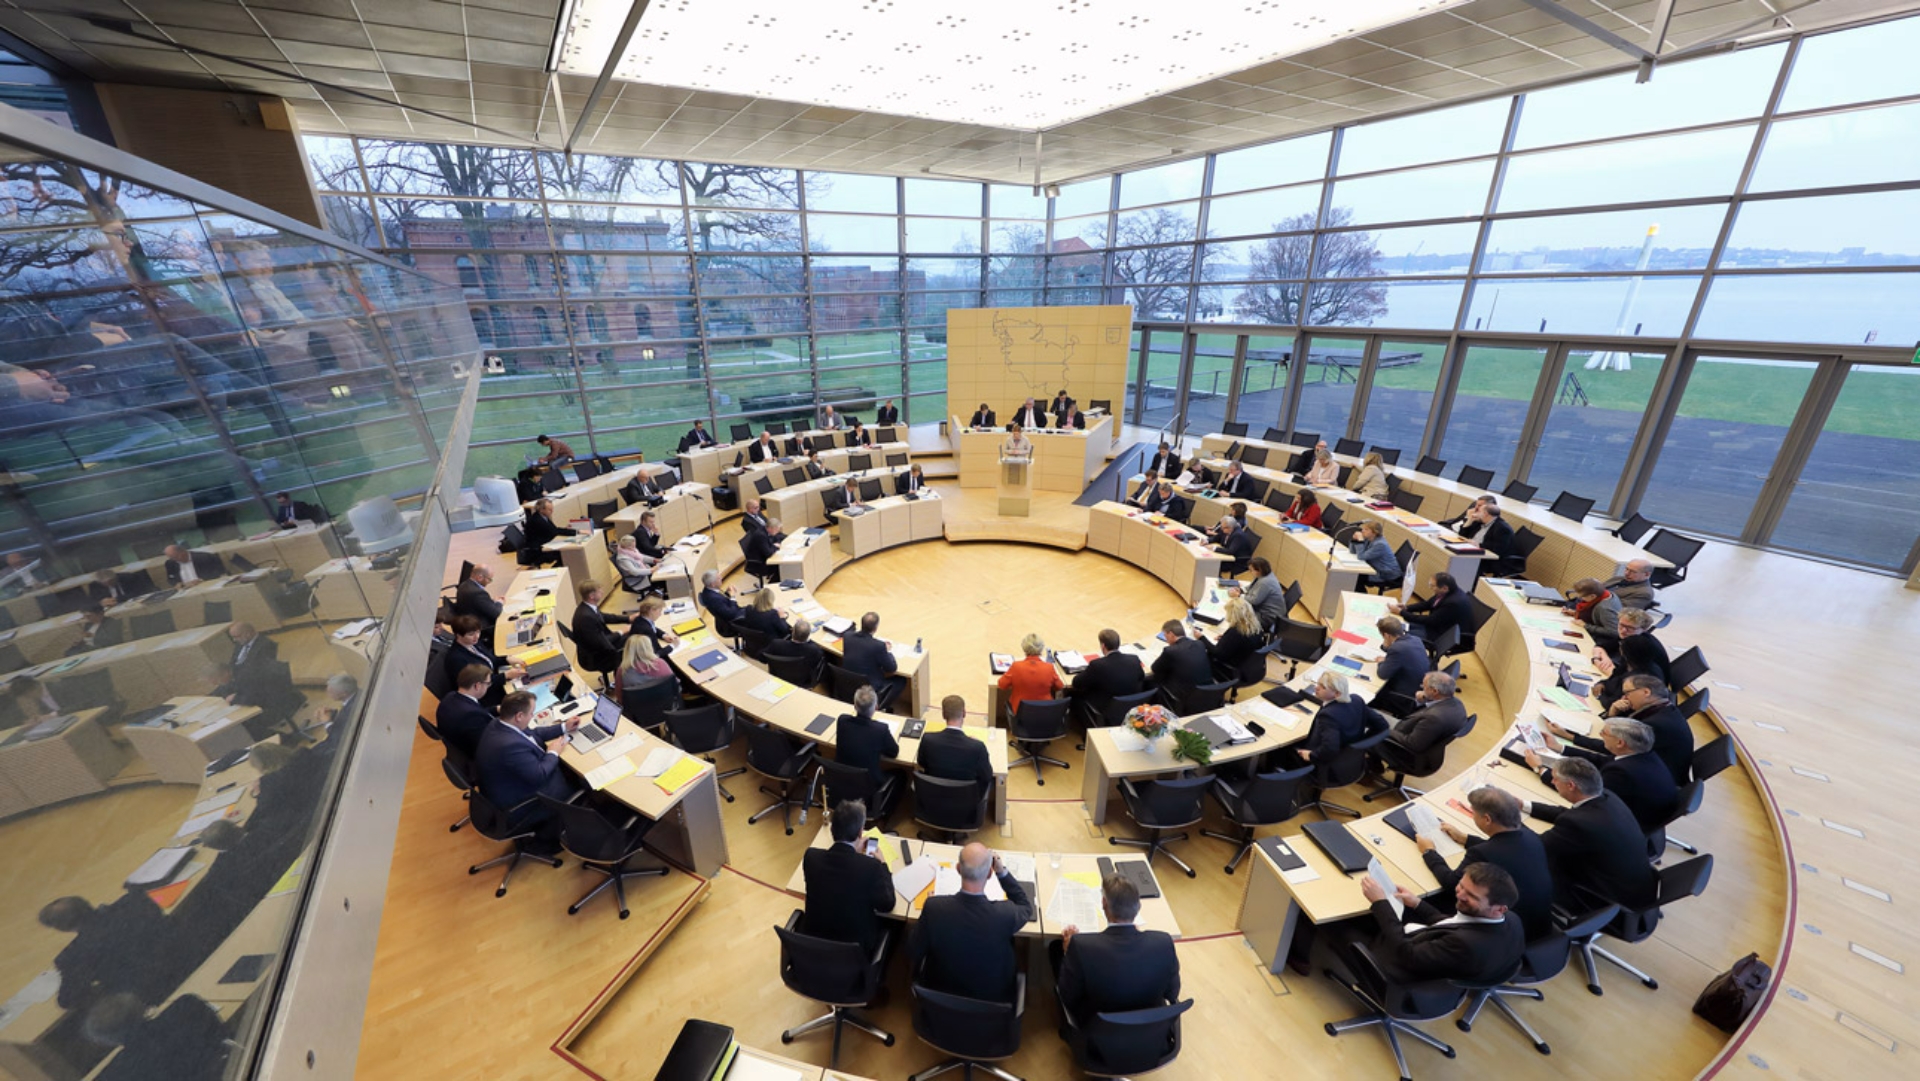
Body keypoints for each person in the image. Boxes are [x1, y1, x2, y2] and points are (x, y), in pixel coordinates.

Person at [1346, 863, 1526, 992]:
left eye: (1470, 895)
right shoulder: (1511, 919)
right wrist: (1416, 903)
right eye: (1461, 886)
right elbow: (1452, 924)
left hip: (1399, 976)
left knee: (1341, 925)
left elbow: (1406, 953)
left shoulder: (1466, 944)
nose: (1459, 895)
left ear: (1498, 909)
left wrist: (1380, 903)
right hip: (1436, 956)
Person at [1415, 786, 1553, 938]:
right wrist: (1465, 839)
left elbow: (1451, 883)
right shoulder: (1531, 836)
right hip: (1540, 923)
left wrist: (1429, 852)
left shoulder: (1482, 853)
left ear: (1487, 819)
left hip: (1507, 931)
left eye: (1474, 813)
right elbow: (1504, 848)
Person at [1052, 875, 1180, 1035]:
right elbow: (1172, 993)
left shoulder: (1081, 946)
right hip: (1149, 1034)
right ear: (1139, 907)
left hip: (1099, 1037)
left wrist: (1067, 951)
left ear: (1104, 903)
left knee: (1054, 950)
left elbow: (1067, 996)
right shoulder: (1164, 942)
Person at [908, 842, 1033, 1002]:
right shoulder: (1005, 914)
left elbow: (913, 949)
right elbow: (1025, 906)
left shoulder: (934, 907)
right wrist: (1001, 872)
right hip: (991, 1001)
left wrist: (930, 910)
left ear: (958, 869)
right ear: (989, 873)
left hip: (940, 997)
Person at [1531, 757, 1658, 910]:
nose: (1552, 782)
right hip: (1635, 885)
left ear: (1571, 785)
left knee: (1529, 864)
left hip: (1607, 899)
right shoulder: (1607, 797)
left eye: (1555, 779)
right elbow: (1569, 815)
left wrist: (1504, 814)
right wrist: (1522, 805)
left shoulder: (1580, 824)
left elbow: (1535, 846)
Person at [1526, 717, 1677, 837]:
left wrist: (1540, 769)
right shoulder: (1642, 755)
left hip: (1626, 827)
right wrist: (1559, 748)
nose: (1600, 735)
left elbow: (1582, 793)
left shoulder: (1623, 773)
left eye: (1604, 733)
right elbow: (1600, 760)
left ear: (1620, 742)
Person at [472, 690, 584, 847]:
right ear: (519, 716)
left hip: (507, 787)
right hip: (520, 803)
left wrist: (564, 727)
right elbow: (540, 774)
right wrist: (553, 752)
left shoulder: (499, 724)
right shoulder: (509, 746)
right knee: (582, 785)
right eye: (531, 713)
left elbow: (533, 734)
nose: (533, 716)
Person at [1549, 673, 1693, 785]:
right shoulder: (1663, 709)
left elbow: (1613, 748)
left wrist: (1571, 738)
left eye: (1628, 693)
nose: (1625, 697)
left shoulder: (1656, 724)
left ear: (1646, 692)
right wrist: (1613, 713)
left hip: (1650, 778)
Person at [38, 893, 169, 1008]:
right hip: (178, 957)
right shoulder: (135, 901)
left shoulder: (74, 956)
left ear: (62, 929)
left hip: (149, 992)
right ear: (85, 902)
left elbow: (67, 1000)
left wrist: (102, 989)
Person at [803, 799, 895, 954]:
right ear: (860, 832)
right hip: (854, 951)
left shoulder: (811, 857)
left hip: (815, 945)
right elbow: (887, 904)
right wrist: (883, 865)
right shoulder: (871, 867)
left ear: (832, 828)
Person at [82, 992, 231, 1081]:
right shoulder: (188, 1007)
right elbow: (224, 1034)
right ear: (140, 1005)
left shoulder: (118, 1073)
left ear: (107, 1041)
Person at [1374, 670, 1468, 783]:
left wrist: (1383, 730)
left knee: (1365, 724)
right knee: (1371, 715)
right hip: (1414, 735)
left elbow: (1412, 744)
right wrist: (1424, 698)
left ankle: (1370, 769)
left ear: (1434, 691)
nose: (1421, 687)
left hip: (1408, 753)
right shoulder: (1456, 703)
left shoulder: (1434, 718)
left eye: (1424, 686)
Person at [1286, 670, 1384, 767]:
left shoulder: (1328, 716)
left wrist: (1311, 756)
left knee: (1281, 750)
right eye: (1318, 683)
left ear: (1337, 694)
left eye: (1323, 687)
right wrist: (1361, 744)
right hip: (1348, 757)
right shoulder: (1356, 700)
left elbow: (1330, 749)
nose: (1316, 688)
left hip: (1321, 761)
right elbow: (1382, 724)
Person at [1593, 607, 1670, 709]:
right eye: (1621, 625)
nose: (1624, 630)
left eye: (1631, 628)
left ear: (1644, 629)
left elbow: (1622, 688)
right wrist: (1603, 680)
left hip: (1646, 689)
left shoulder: (1641, 647)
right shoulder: (1630, 639)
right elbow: (1602, 646)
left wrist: (1602, 693)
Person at [920, 695, 993, 801]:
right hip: (965, 801)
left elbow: (921, 762)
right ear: (964, 713)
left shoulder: (928, 739)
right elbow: (987, 776)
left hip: (934, 797)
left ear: (943, 715)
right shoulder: (977, 747)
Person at [444, 614, 523, 710]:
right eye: (471, 634)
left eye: (478, 632)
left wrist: (506, 659)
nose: (476, 636)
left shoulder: (473, 643)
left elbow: (490, 660)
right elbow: (477, 684)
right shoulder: (456, 659)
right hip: (487, 694)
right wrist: (505, 676)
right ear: (458, 635)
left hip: (493, 680)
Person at [1069, 629, 1146, 725]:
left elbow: (1076, 683)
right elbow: (1141, 677)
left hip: (1106, 706)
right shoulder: (1134, 659)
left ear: (1103, 646)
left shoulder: (1097, 665)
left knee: (1074, 696)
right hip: (1129, 704)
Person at [842, 611, 909, 709]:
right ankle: (879, 706)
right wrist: (887, 651)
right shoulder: (879, 646)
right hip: (870, 686)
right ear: (875, 628)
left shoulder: (847, 636)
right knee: (901, 680)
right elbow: (891, 668)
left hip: (849, 683)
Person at [1371, 615, 1431, 715]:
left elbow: (1382, 674)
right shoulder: (1415, 639)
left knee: (1370, 694)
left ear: (1387, 635)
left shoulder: (1397, 649)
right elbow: (1396, 651)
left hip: (1403, 696)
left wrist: (1381, 662)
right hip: (1418, 686)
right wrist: (1387, 645)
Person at [1390, 572, 1472, 643]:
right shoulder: (1447, 592)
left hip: (1440, 634)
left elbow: (1430, 620)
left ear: (1444, 588)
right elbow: (1428, 604)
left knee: (1397, 635)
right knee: (1395, 627)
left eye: (1433, 586)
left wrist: (1401, 612)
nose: (1430, 588)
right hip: (1433, 625)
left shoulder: (1453, 603)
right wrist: (1406, 608)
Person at [435, 664, 496, 757]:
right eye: (488, 684)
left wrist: (496, 709)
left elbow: (478, 712)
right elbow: (489, 745)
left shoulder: (450, 697)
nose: (488, 687)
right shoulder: (471, 716)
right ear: (477, 686)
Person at [571, 580, 630, 675]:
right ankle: (623, 676)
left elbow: (605, 617)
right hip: (598, 656)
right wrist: (621, 631)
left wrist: (628, 618)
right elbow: (603, 642)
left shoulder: (587, 607)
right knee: (634, 639)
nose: (602, 592)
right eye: (599, 591)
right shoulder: (586, 618)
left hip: (599, 646)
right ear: (592, 596)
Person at [997, 632, 1062, 718]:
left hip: (1020, 713)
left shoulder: (1016, 666)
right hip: (1045, 713)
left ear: (1024, 647)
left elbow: (1002, 685)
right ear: (1041, 648)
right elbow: (1059, 686)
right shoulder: (1049, 668)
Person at [1149, 620, 1212, 703]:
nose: (1166, 639)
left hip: (1185, 696)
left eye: (1165, 635)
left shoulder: (1170, 651)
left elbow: (1155, 668)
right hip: (1207, 692)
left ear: (1171, 634)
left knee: (1151, 680)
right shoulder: (1199, 644)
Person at [1205, 597, 1265, 685]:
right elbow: (1240, 642)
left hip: (1230, 669)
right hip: (1247, 667)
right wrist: (1226, 639)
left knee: (1202, 652)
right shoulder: (1256, 627)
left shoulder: (1235, 632)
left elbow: (1218, 654)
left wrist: (1201, 638)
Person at [765, 618, 827, 685]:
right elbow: (817, 662)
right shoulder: (814, 650)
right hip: (803, 679)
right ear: (808, 635)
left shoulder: (776, 644)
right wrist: (809, 641)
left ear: (792, 632)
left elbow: (761, 657)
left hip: (778, 674)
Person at [1233, 557, 1289, 628]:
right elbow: (1252, 586)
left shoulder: (1265, 583)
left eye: (1251, 570)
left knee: (1239, 616)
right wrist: (1241, 590)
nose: (1250, 572)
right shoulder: (1264, 575)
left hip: (1267, 616)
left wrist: (1239, 596)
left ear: (1258, 570)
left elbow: (1254, 601)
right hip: (1265, 610)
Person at [1567, 578, 1622, 650]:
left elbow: (1613, 631)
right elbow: (1593, 613)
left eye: (1582, 597)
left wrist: (1586, 625)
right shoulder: (1604, 594)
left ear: (1592, 596)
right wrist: (1575, 613)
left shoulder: (1605, 608)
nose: (1580, 598)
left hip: (1601, 640)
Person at [519, 498, 573, 568]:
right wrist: (575, 532)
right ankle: (556, 570)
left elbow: (554, 529)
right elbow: (554, 532)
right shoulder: (537, 520)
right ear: (541, 510)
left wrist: (567, 530)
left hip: (541, 544)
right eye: (549, 510)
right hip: (537, 551)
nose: (552, 511)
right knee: (564, 553)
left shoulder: (543, 517)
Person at [1348, 520, 1400, 588]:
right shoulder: (1368, 539)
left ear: (1374, 532)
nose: (1362, 531)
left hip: (1385, 574)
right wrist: (1354, 540)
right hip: (1376, 568)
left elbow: (1361, 556)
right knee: (1353, 574)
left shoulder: (1380, 544)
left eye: (1366, 529)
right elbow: (1353, 551)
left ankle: (1362, 595)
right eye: (1363, 528)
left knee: (1356, 577)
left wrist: (1360, 541)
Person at [454, 562, 504, 626]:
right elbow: (496, 613)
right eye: (489, 579)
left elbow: (480, 603)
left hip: (470, 619)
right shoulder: (477, 593)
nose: (489, 582)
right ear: (480, 577)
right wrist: (499, 602)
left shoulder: (464, 585)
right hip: (482, 627)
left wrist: (492, 602)